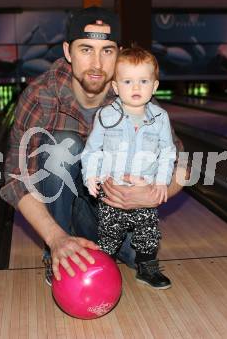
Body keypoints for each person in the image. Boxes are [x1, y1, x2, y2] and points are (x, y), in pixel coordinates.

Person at [0, 6, 185, 285]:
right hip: (56, 209)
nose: (97, 63)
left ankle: (93, 239)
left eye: (107, 50)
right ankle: (59, 250)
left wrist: (155, 195)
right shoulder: (42, 95)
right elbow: (15, 179)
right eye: (86, 49)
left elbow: (182, 165)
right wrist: (55, 238)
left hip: (108, 210)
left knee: (140, 257)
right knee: (64, 144)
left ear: (118, 53)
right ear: (68, 52)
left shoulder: (136, 98)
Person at [81, 47, 175, 289]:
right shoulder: (105, 116)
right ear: (115, 87)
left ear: (154, 86)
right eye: (128, 81)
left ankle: (147, 268)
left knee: (148, 234)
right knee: (109, 235)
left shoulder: (160, 118)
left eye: (143, 81)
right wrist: (91, 175)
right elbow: (92, 150)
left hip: (145, 191)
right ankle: (106, 269)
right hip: (112, 191)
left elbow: (167, 152)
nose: (136, 87)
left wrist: (162, 181)